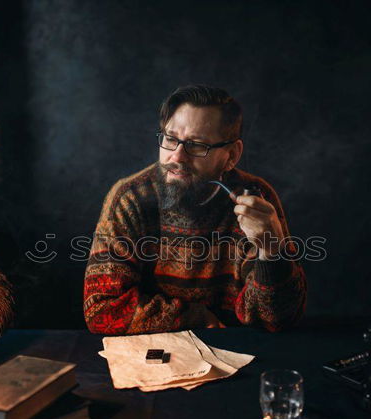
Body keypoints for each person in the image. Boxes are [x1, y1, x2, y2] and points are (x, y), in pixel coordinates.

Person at [83, 85, 307, 334]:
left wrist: (272, 251)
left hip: (238, 349)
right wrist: (196, 317)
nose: (177, 157)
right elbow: (102, 311)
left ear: (231, 155)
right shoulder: (131, 197)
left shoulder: (255, 200)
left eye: (197, 145)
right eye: (170, 139)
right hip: (154, 356)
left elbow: (275, 320)